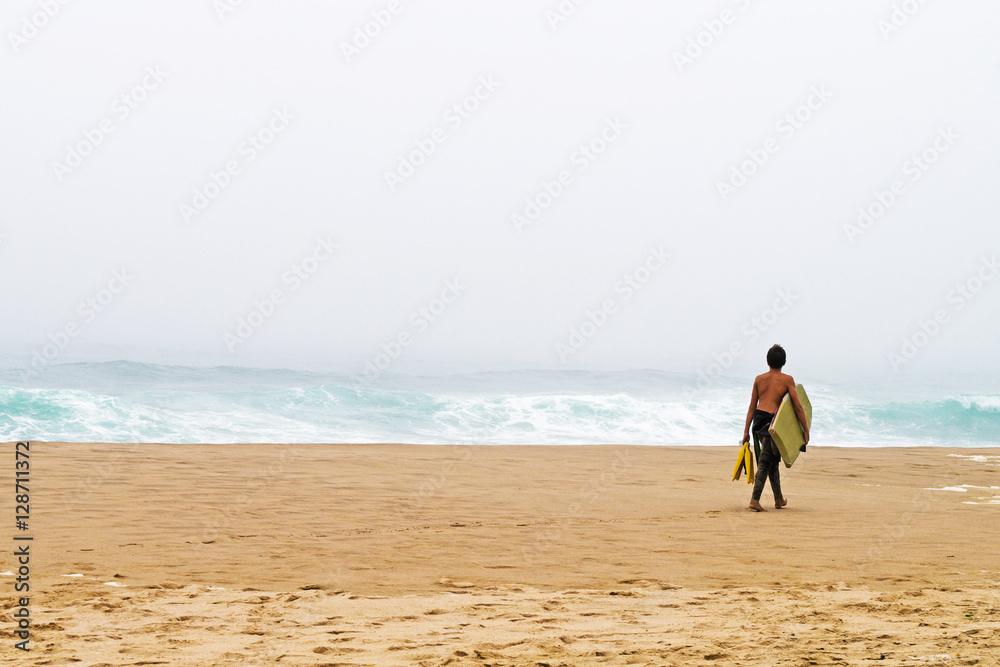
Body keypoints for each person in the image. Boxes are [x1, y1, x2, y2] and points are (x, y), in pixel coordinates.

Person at [741, 344, 809, 512]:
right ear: (784, 362)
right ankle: (755, 499)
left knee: (771, 460)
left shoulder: (759, 379)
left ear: (767, 361)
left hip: (758, 422)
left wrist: (745, 431)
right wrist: (805, 430)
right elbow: (798, 407)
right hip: (772, 424)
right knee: (765, 461)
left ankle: (778, 498)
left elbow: (751, 407)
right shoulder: (787, 380)